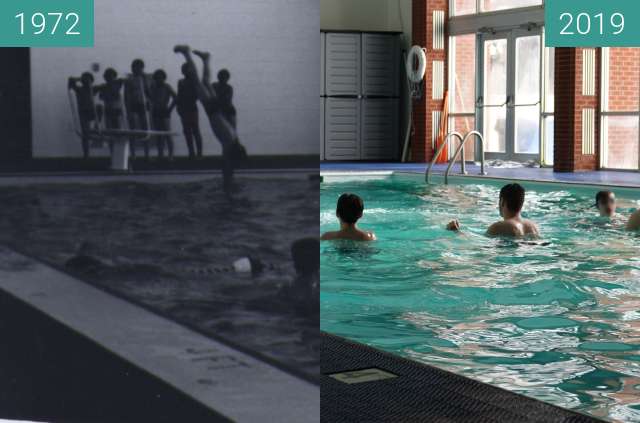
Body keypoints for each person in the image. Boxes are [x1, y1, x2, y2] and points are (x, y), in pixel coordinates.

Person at [174, 45, 247, 195]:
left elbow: (228, 165)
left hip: (216, 110)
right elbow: (227, 163)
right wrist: (227, 180)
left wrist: (228, 178)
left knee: (206, 82)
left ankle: (206, 59)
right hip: (212, 110)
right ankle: (187, 53)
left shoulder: (233, 141)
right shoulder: (228, 142)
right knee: (196, 81)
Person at [447, 183, 539, 238]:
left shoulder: (499, 227)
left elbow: (479, 246)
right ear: (522, 203)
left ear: (502, 201)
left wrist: (456, 231)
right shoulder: (533, 227)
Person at [124, 59, 151, 160]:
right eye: (133, 67)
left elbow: (149, 93)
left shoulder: (145, 79)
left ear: (141, 68)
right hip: (133, 105)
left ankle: (147, 154)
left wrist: (149, 104)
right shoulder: (129, 80)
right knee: (133, 130)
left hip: (143, 106)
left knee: (145, 130)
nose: (135, 69)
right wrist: (128, 109)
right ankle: (133, 154)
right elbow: (126, 95)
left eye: (138, 67)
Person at [177, 62, 204, 159]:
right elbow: (179, 95)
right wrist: (178, 107)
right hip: (184, 108)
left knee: (195, 130)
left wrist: (189, 99)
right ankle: (191, 153)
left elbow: (198, 95)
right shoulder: (181, 82)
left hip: (192, 107)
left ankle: (200, 153)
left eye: (187, 69)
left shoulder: (195, 82)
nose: (185, 71)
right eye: (184, 69)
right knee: (187, 131)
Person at [68, 72, 98, 158]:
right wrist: (80, 78)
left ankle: (96, 127)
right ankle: (86, 154)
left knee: (100, 108)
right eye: (85, 80)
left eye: (88, 80)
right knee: (85, 134)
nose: (87, 82)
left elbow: (105, 86)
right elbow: (71, 80)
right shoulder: (80, 89)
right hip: (83, 112)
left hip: (92, 111)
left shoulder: (94, 89)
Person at [149, 69, 177, 160]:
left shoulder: (167, 86)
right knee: (158, 134)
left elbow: (176, 97)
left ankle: (171, 155)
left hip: (164, 111)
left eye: (160, 78)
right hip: (156, 111)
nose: (159, 80)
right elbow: (150, 98)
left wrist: (170, 109)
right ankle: (160, 154)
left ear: (164, 78)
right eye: (157, 78)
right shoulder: (153, 87)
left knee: (167, 133)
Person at [95, 68, 125, 153]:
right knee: (110, 132)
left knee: (119, 131)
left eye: (111, 76)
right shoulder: (104, 87)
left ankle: (120, 152)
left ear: (114, 77)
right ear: (105, 77)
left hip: (117, 110)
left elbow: (122, 80)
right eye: (107, 77)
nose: (109, 78)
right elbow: (101, 96)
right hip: (108, 110)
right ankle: (112, 152)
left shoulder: (118, 84)